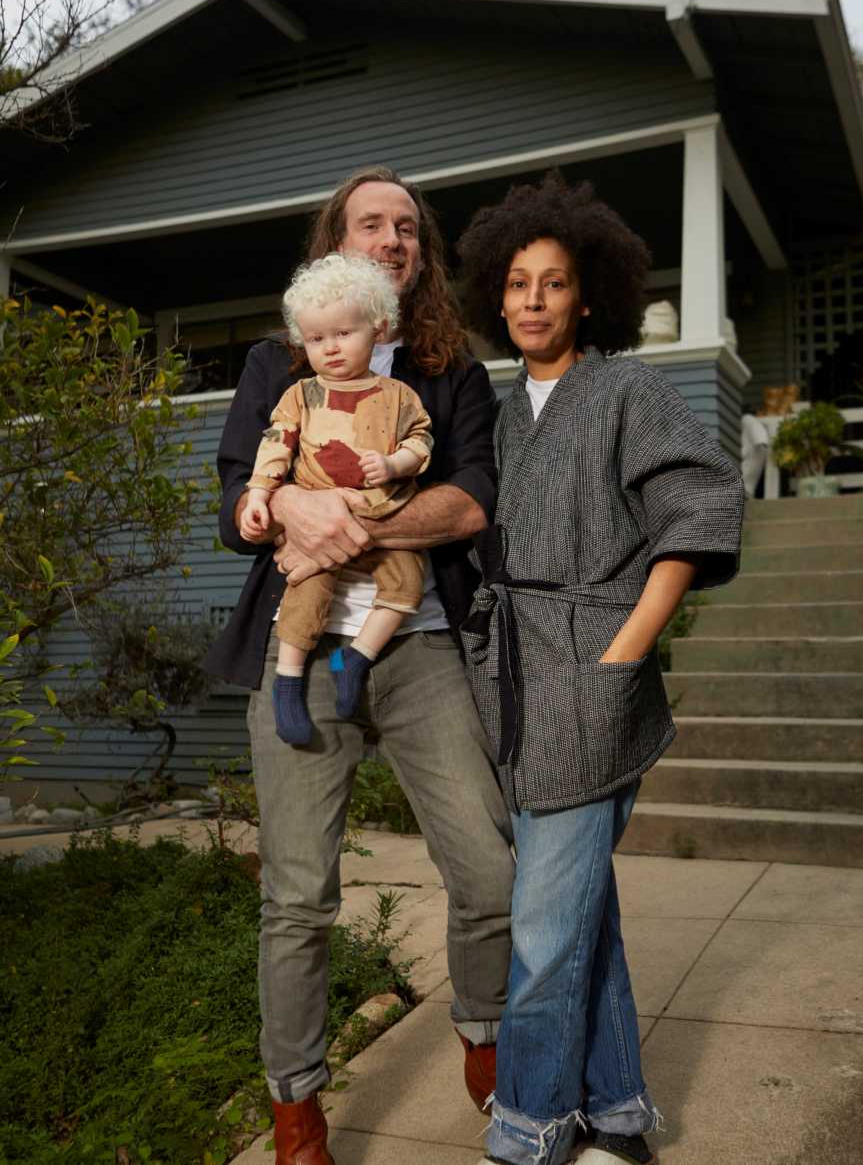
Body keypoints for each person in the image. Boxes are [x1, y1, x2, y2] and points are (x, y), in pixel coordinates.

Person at [206, 167, 515, 1165]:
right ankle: (295, 1104)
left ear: (419, 256)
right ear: (333, 241)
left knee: (488, 867)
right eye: (371, 222)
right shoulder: (275, 362)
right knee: (298, 896)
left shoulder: (448, 369)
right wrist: (285, 504)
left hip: (418, 644)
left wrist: (342, 519)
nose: (394, 237)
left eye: (409, 228)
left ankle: (484, 1025)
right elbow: (235, 504)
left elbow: (469, 502)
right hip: (297, 650)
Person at [457, 172, 745, 1165]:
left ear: (589, 296)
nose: (536, 298)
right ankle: (615, 1110)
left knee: (541, 925)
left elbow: (698, 513)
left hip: (594, 668)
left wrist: (624, 649)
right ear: (497, 296)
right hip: (514, 685)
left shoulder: (628, 390)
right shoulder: (494, 416)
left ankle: (528, 1132)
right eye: (519, 282)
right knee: (580, 908)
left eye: (557, 281)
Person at [240, 253, 433, 743]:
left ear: (379, 328)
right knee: (308, 591)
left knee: (408, 582)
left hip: (381, 513)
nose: (330, 348)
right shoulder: (300, 395)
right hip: (318, 524)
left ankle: (356, 658)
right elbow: (276, 444)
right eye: (317, 338)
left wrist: (394, 465)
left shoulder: (400, 395)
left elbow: (421, 440)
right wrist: (261, 493)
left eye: (344, 334)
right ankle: (288, 682)